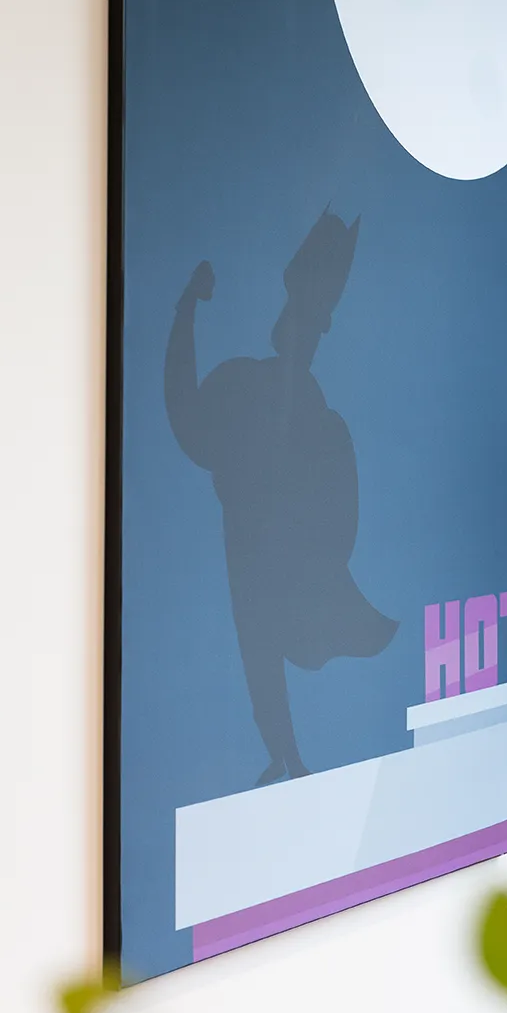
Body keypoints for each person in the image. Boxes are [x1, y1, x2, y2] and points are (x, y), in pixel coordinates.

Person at [164, 208, 398, 786]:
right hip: (266, 529)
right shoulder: (255, 391)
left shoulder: (308, 413)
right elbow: (186, 411)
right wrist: (187, 307)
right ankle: (283, 752)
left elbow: (188, 414)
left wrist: (188, 307)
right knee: (259, 639)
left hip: (276, 533)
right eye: (304, 316)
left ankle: (283, 753)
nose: (304, 330)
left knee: (259, 637)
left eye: (312, 321)